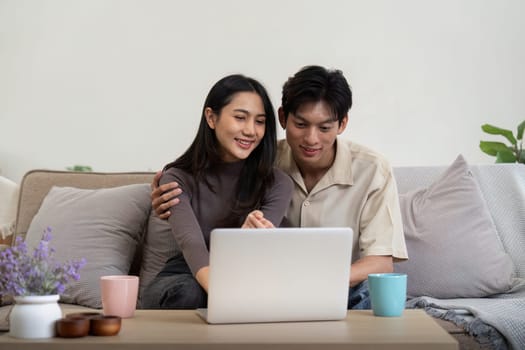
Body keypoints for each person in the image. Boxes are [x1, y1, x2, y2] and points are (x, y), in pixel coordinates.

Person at [151, 66, 408, 309]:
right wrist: (163, 191)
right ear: (283, 118)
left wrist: (314, 283)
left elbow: (381, 262)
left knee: (370, 296)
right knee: (190, 293)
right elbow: (203, 178)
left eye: (325, 127)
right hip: (245, 277)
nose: (311, 139)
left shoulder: (372, 170)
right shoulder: (257, 158)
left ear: (342, 124)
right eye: (301, 124)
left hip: (326, 283)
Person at [142, 74, 293, 309]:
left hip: (247, 271)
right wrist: (226, 298)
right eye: (240, 118)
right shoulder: (177, 178)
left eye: (260, 121)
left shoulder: (278, 183)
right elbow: (191, 243)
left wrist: (244, 242)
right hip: (187, 274)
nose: (251, 130)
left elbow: (259, 251)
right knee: (191, 295)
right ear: (211, 118)